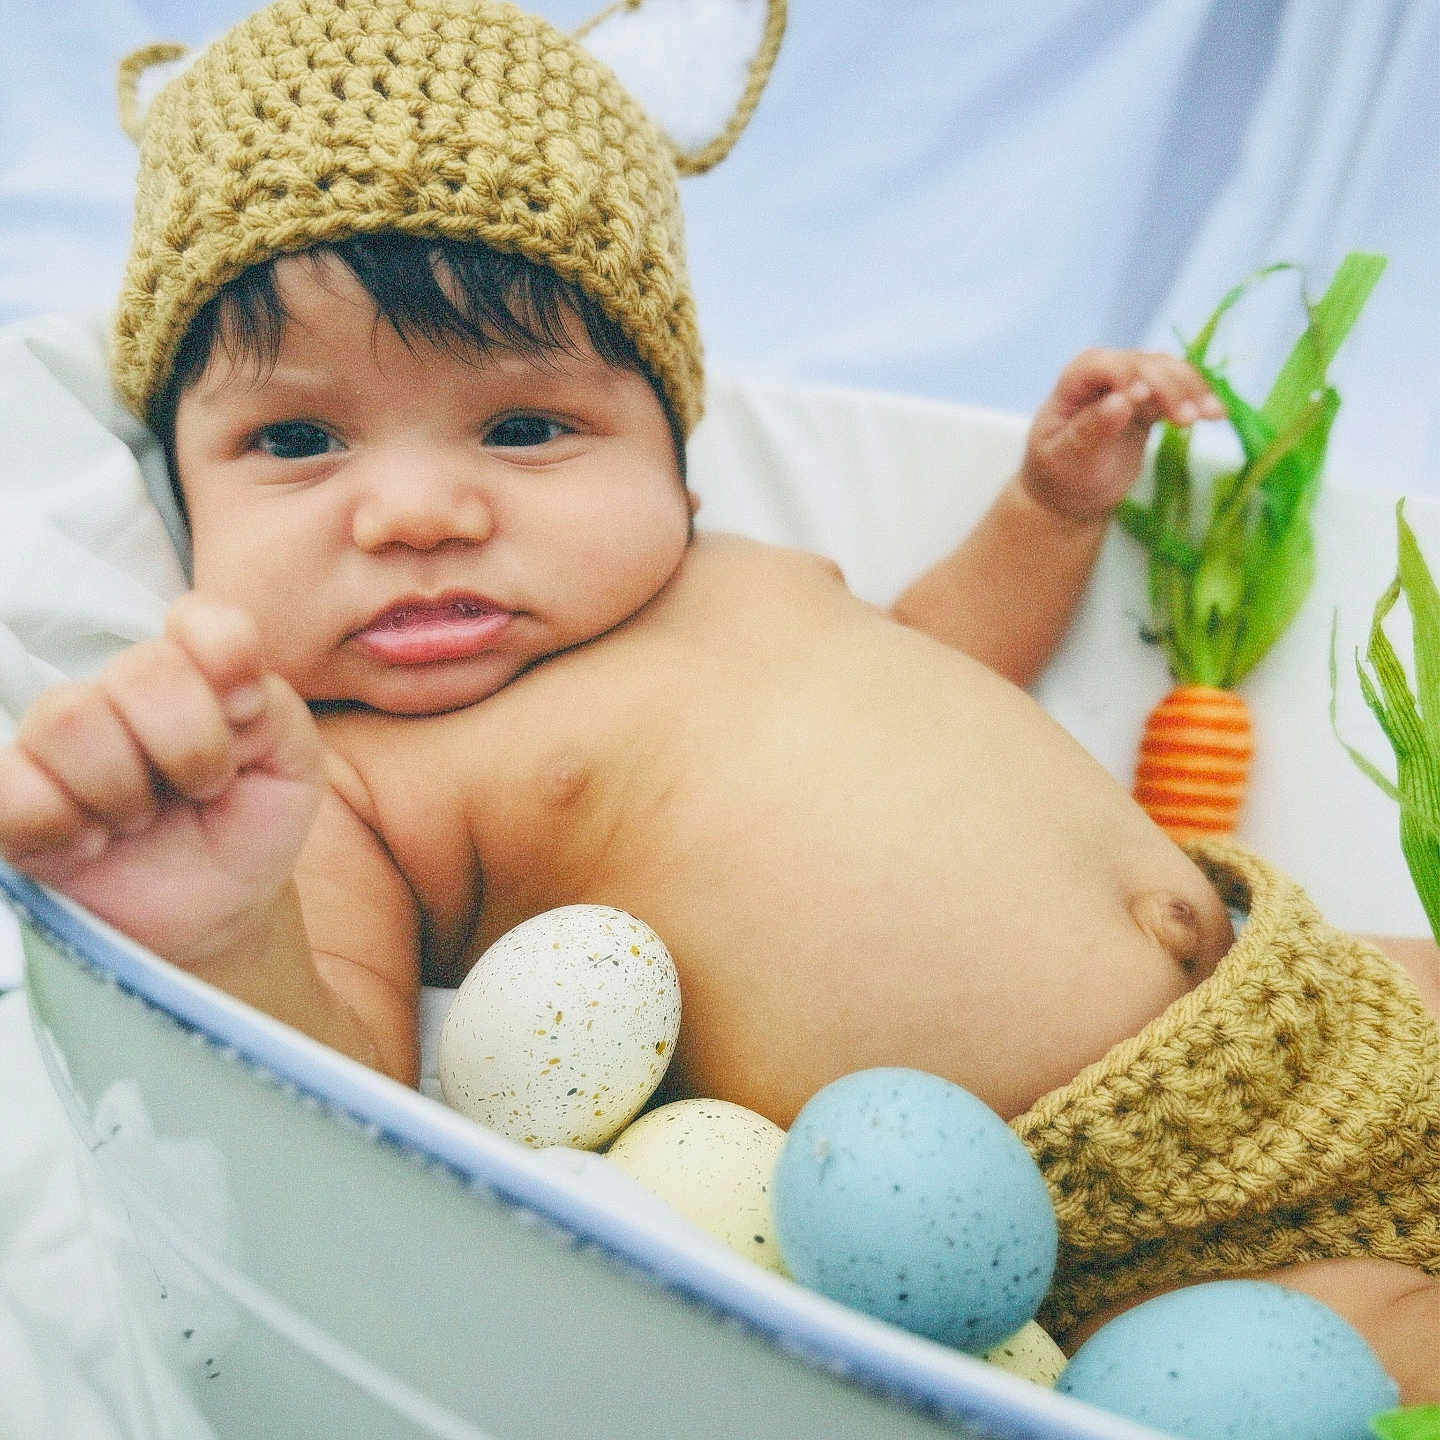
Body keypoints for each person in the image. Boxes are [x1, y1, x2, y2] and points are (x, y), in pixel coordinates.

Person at [0, 0, 1435, 1399]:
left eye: (524, 428)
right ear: (183, 501)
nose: (418, 510)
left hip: (1298, 970)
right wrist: (231, 918)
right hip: (1115, 1221)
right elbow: (342, 1087)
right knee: (1370, 1359)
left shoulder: (739, 568)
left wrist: (1048, 514)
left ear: (675, 458)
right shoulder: (344, 785)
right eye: (299, 439)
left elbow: (944, 658)